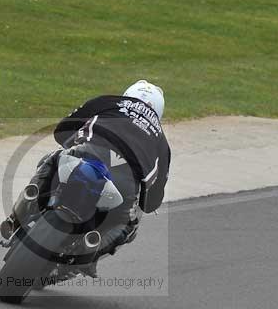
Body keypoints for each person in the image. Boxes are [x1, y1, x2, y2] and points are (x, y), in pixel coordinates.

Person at [28, 80, 171, 275]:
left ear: (127, 94)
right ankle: (88, 255)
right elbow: (152, 202)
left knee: (52, 159)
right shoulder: (161, 141)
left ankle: (28, 200)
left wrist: (71, 143)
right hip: (125, 183)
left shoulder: (109, 101)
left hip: (86, 154)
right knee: (129, 226)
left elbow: (61, 130)